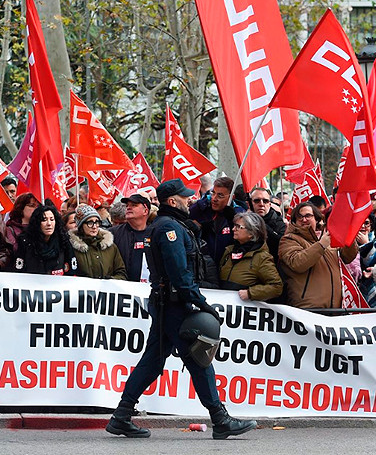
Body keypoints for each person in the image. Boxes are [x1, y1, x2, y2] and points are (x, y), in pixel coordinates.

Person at [106, 179, 257, 440]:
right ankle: (220, 419)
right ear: (173, 201)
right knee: (199, 360)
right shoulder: (169, 229)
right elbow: (179, 272)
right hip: (175, 305)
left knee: (153, 362)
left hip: (168, 304)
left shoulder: (169, 225)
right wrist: (201, 303)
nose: (190, 200)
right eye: (185, 197)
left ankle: (121, 416)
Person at [278, 202, 357, 309]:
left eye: (308, 216)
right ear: (294, 221)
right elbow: (297, 263)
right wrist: (321, 245)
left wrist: (349, 238)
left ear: (316, 218)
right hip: (307, 310)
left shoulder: (326, 239)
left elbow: (348, 257)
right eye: (299, 217)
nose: (304, 219)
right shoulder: (289, 240)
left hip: (335, 311)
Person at [219, 212, 283, 302]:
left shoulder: (261, 257)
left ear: (252, 233)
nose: (233, 229)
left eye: (238, 227)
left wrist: (251, 293)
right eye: (234, 226)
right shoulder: (229, 251)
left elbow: (276, 287)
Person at [189, 176, 244, 264]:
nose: (214, 198)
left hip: (227, 267)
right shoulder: (201, 209)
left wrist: (232, 221)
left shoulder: (240, 214)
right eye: (213, 193)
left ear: (231, 197)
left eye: (220, 195)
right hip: (203, 266)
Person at [13, 205, 77, 275]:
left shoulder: (63, 241)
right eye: (44, 220)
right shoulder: (26, 242)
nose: (49, 224)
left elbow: (72, 269)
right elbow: (18, 270)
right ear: (37, 223)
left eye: (52, 219)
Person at [69, 204, 127, 280]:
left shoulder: (110, 246)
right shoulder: (71, 246)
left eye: (97, 222)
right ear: (81, 225)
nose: (94, 226)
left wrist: (111, 280)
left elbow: (121, 272)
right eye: (90, 223)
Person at [110, 194, 153, 282]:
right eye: (127, 206)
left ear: (145, 211)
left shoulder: (155, 233)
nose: (128, 208)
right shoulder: (112, 234)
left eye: (134, 205)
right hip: (121, 289)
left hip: (149, 290)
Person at [248, 187, 286, 261]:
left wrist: (260, 223)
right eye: (257, 201)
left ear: (269, 204)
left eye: (265, 201)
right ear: (249, 204)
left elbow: (280, 244)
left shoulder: (279, 222)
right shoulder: (244, 221)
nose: (261, 204)